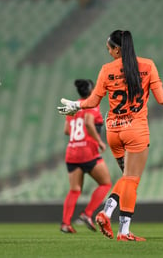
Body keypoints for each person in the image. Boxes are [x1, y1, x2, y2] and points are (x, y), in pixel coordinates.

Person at [58, 30, 163, 241]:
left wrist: (76, 105)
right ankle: (112, 219)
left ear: (117, 49)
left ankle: (117, 223)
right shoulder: (148, 66)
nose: (108, 53)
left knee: (127, 178)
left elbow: (93, 101)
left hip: (113, 130)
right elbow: (162, 98)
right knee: (132, 179)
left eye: (109, 49)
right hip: (136, 130)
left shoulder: (107, 70)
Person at [60, 79, 112, 234]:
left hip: (72, 151)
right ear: (91, 91)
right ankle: (87, 214)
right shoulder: (91, 105)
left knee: (75, 190)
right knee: (106, 183)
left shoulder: (72, 106)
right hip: (87, 151)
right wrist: (100, 142)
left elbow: (67, 131)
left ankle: (65, 223)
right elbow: (89, 123)